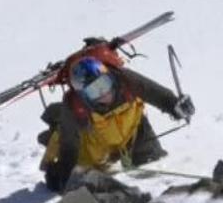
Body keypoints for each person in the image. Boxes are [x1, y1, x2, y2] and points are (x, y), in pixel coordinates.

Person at [38, 56, 195, 192]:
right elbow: (69, 146)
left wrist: (175, 105)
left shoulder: (124, 79)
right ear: (84, 96)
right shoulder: (74, 107)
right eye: (95, 91)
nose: (105, 93)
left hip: (131, 135)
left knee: (154, 168)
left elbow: (153, 91)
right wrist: (63, 176)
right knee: (80, 184)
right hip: (94, 153)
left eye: (104, 84)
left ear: (110, 76)